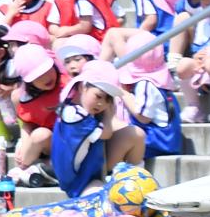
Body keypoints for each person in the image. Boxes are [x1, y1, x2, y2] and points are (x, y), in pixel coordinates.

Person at [51, 60, 146, 197]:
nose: (101, 103)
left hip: (92, 169)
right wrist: (109, 114)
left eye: (108, 100)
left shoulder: (87, 111)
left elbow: (118, 127)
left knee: (135, 134)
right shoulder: (74, 114)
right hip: (79, 181)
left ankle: (137, 182)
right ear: (83, 87)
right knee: (101, 198)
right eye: (98, 96)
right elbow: (106, 134)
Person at [6, 44, 64, 188]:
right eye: (38, 76)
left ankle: (45, 168)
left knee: (41, 135)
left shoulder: (67, 85)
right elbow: (27, 124)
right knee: (38, 136)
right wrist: (23, 146)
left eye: (47, 70)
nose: (46, 77)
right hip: (48, 143)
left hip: (70, 141)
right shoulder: (27, 98)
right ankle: (25, 168)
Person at [118, 47, 183, 160]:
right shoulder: (162, 79)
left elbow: (143, 117)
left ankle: (115, 168)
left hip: (158, 142)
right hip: (168, 140)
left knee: (118, 137)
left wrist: (123, 93)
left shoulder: (146, 84)